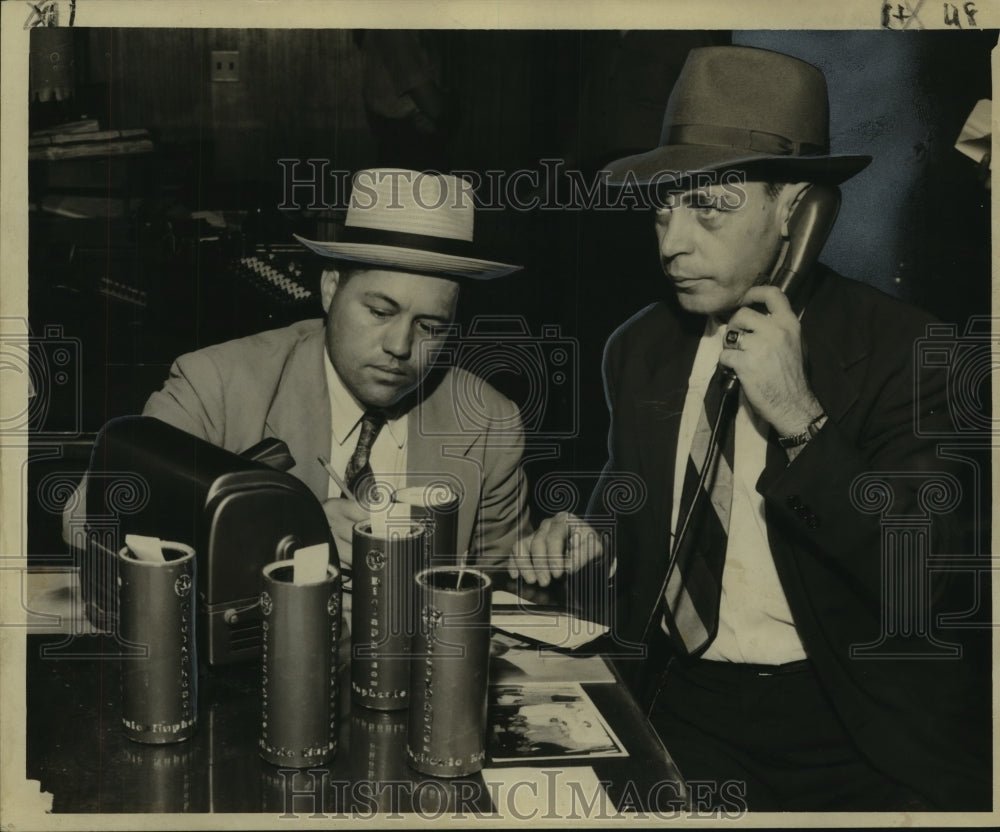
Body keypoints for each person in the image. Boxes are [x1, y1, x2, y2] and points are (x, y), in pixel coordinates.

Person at [510, 46, 989, 811]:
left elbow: (933, 571)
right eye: (664, 210)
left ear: (796, 211)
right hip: (680, 701)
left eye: (709, 209)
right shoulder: (639, 347)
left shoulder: (908, 351)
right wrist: (587, 530)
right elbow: (638, 496)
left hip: (846, 724)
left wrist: (800, 418)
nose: (672, 243)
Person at [136, 168, 529, 572]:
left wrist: (550, 563)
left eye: (431, 326)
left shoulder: (488, 422)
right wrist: (285, 534)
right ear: (329, 289)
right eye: (379, 311)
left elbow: (499, 588)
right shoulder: (216, 384)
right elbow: (93, 520)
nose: (400, 346)